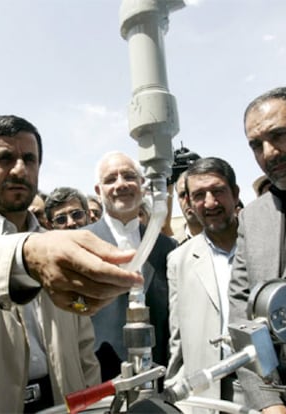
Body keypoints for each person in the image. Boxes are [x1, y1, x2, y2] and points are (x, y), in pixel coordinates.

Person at [0, 115, 143, 413]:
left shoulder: (56, 247)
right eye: (5, 158)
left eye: (29, 159)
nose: (20, 170)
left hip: (62, 402)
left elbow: (83, 348)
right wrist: (25, 255)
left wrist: (91, 405)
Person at [229, 86, 286, 414]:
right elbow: (242, 314)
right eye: (256, 144)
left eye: (279, 135)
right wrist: (269, 403)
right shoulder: (252, 218)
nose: (268, 153)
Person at [84, 151, 177, 382]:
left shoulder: (166, 247)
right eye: (110, 179)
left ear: (142, 184)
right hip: (99, 378)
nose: (121, 184)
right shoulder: (82, 244)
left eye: (128, 176)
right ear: (98, 190)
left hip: (158, 376)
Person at [165, 157, 242, 413]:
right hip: (204, 397)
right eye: (199, 195)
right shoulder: (179, 260)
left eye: (218, 191)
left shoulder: (264, 244)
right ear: (188, 202)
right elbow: (177, 341)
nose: (210, 203)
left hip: (261, 394)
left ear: (235, 193)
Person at [172, 170, 203, 244]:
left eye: (195, 194)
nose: (188, 200)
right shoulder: (170, 247)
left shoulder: (232, 239)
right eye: (182, 195)